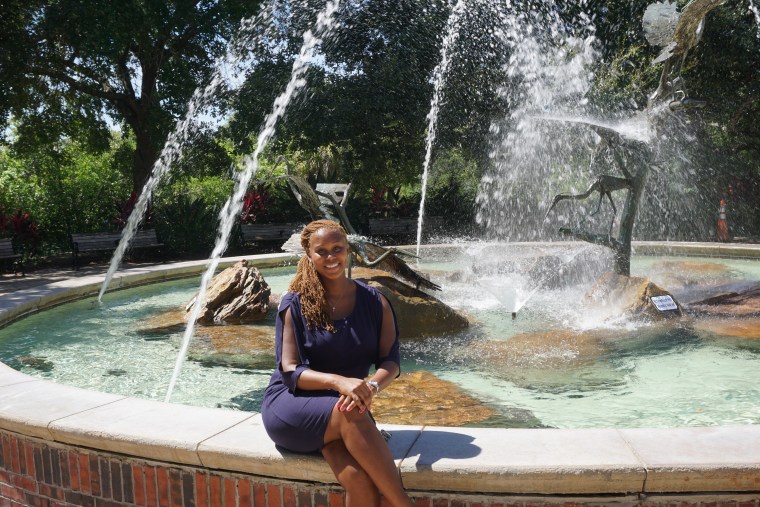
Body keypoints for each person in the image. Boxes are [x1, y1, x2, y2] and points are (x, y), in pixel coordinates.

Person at [261, 219, 414, 507]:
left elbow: (391, 361)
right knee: (350, 411)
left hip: (345, 408)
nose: (331, 257)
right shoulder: (295, 303)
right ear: (309, 255)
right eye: (321, 251)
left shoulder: (375, 301)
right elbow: (290, 371)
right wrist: (339, 382)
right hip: (292, 404)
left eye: (337, 248)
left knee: (359, 480)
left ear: (348, 250)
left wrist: (371, 386)